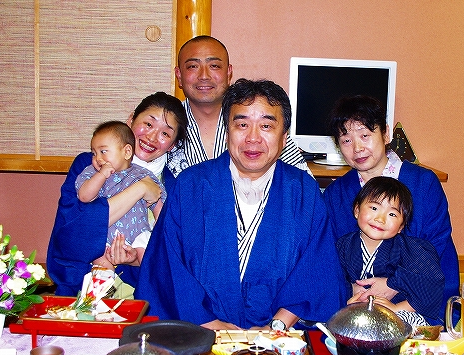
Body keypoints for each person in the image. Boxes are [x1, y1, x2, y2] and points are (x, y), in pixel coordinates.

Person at [135, 78, 348, 330]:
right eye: (242, 124)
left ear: (284, 138)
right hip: (199, 332)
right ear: (227, 131)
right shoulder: (191, 185)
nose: (252, 138)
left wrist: (276, 327)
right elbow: (167, 266)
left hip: (279, 337)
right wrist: (210, 325)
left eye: (266, 126)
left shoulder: (303, 191)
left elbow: (316, 268)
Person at [322, 95, 459, 326]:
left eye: (365, 135)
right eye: (346, 140)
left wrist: (393, 284)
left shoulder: (423, 183)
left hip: (416, 302)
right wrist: (352, 289)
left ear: (385, 134)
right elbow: (329, 255)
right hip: (356, 303)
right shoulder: (336, 194)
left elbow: (436, 245)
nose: (357, 148)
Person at [47, 92, 188, 296]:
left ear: (172, 144)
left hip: (142, 301)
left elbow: (169, 250)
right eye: (148, 124)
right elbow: (74, 231)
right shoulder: (91, 165)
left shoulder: (173, 186)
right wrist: (140, 189)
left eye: (165, 134)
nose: (152, 137)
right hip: (81, 292)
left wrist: (134, 259)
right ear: (131, 119)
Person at [167, 35, 309, 176]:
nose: (204, 76)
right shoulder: (164, 125)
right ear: (179, 75)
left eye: (214, 66)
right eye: (193, 66)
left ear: (228, 72)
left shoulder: (263, 122)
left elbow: (302, 181)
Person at [337, 176, 445, 327]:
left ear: (401, 226)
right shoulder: (343, 245)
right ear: (357, 210)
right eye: (374, 208)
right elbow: (332, 280)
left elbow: (430, 285)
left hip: (397, 315)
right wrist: (349, 290)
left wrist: (396, 307)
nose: (380, 219)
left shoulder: (410, 248)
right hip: (355, 312)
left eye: (392, 214)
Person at [75, 120, 166, 271]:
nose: (98, 158)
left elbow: (158, 205)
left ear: (127, 152)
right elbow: (84, 196)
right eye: (94, 153)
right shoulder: (92, 173)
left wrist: (159, 227)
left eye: (103, 151)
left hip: (137, 233)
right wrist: (101, 175)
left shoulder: (142, 175)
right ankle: (103, 284)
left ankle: (149, 282)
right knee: (97, 257)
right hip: (104, 236)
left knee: (149, 255)